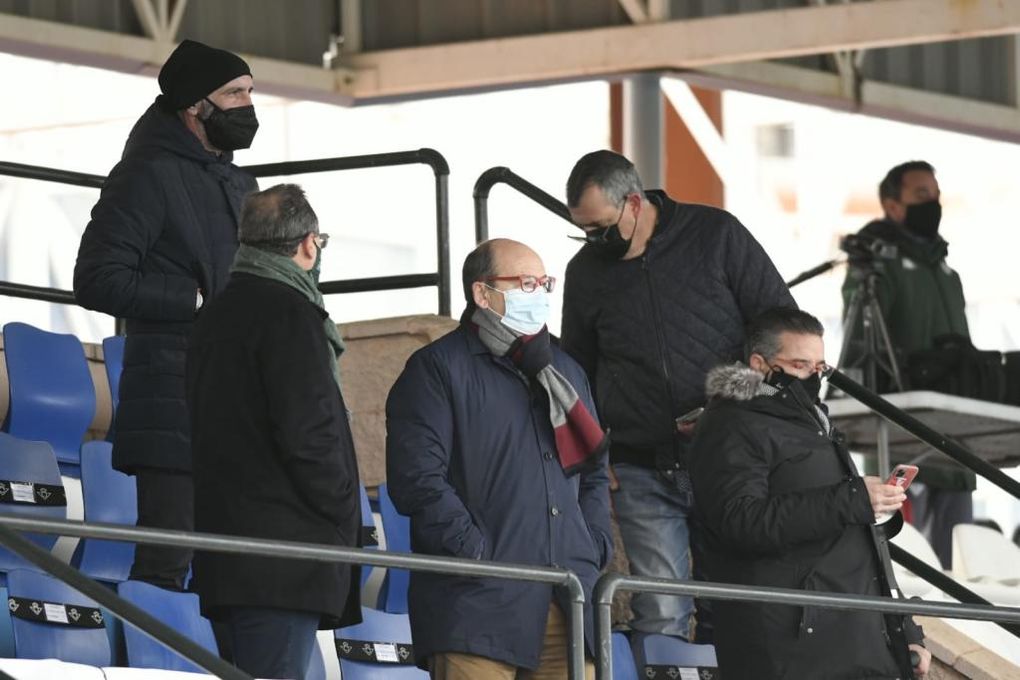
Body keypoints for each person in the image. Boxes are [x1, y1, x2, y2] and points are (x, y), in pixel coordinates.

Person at [560, 149, 794, 641]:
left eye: (601, 228)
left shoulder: (716, 235)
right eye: (582, 230)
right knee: (661, 614)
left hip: (731, 461)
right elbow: (577, 371)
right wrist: (594, 454)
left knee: (739, 611)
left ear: (634, 203)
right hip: (639, 466)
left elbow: (780, 330)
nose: (593, 242)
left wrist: (737, 404)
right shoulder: (585, 273)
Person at [73, 39, 259, 590]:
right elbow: (96, 278)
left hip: (233, 402)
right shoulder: (146, 175)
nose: (247, 105)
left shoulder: (241, 183)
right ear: (193, 106)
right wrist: (193, 300)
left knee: (228, 574)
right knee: (167, 561)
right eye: (233, 93)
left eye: (250, 91)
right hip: (171, 400)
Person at [386, 238, 612, 680]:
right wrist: (476, 554)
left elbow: (593, 472)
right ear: (482, 294)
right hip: (477, 608)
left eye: (544, 283)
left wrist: (593, 544)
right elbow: (418, 479)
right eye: (526, 283)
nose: (540, 294)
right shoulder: (437, 368)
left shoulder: (565, 371)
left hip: (568, 603)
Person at [689, 307, 931, 680]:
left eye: (820, 369)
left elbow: (861, 546)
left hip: (856, 643)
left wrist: (905, 632)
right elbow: (740, 521)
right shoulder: (731, 423)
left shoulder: (814, 420)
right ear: (759, 364)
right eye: (801, 365)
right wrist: (850, 500)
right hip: (792, 647)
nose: (812, 377)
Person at [186, 184, 361, 679]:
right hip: (284, 558)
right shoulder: (290, 313)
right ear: (309, 244)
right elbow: (311, 434)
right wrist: (344, 504)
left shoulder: (214, 315)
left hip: (229, 551)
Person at [842, 160, 973, 568]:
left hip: (957, 435)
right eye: (921, 195)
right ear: (893, 205)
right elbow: (862, 338)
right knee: (907, 559)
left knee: (957, 564)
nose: (932, 202)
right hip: (902, 430)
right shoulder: (874, 263)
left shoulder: (946, 271)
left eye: (935, 194)